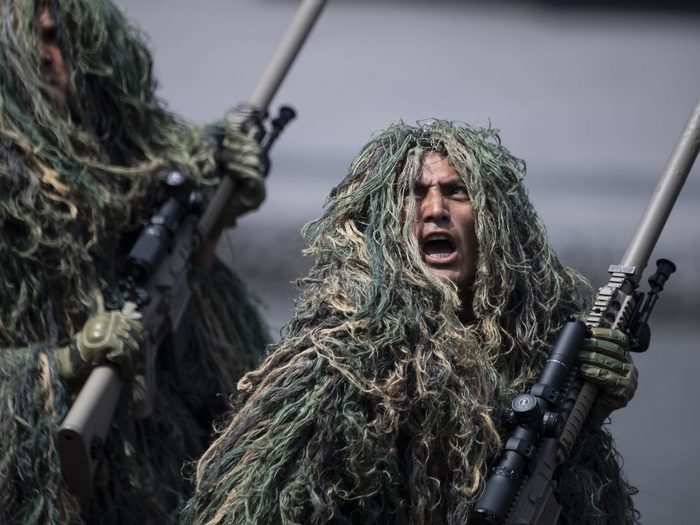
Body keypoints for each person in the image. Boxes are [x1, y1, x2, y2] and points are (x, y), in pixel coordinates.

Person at [183, 120, 640, 524]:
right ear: (383, 225)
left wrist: (585, 422)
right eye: (414, 193)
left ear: (494, 220)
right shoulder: (341, 364)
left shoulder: (542, 359)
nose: (435, 209)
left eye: (456, 192)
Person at [0, 0, 270, 523]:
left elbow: (177, 185)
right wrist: (58, 367)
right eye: (39, 40)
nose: (52, 56)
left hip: (158, 474)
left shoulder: (132, 161)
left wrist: (221, 203)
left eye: (63, 39)